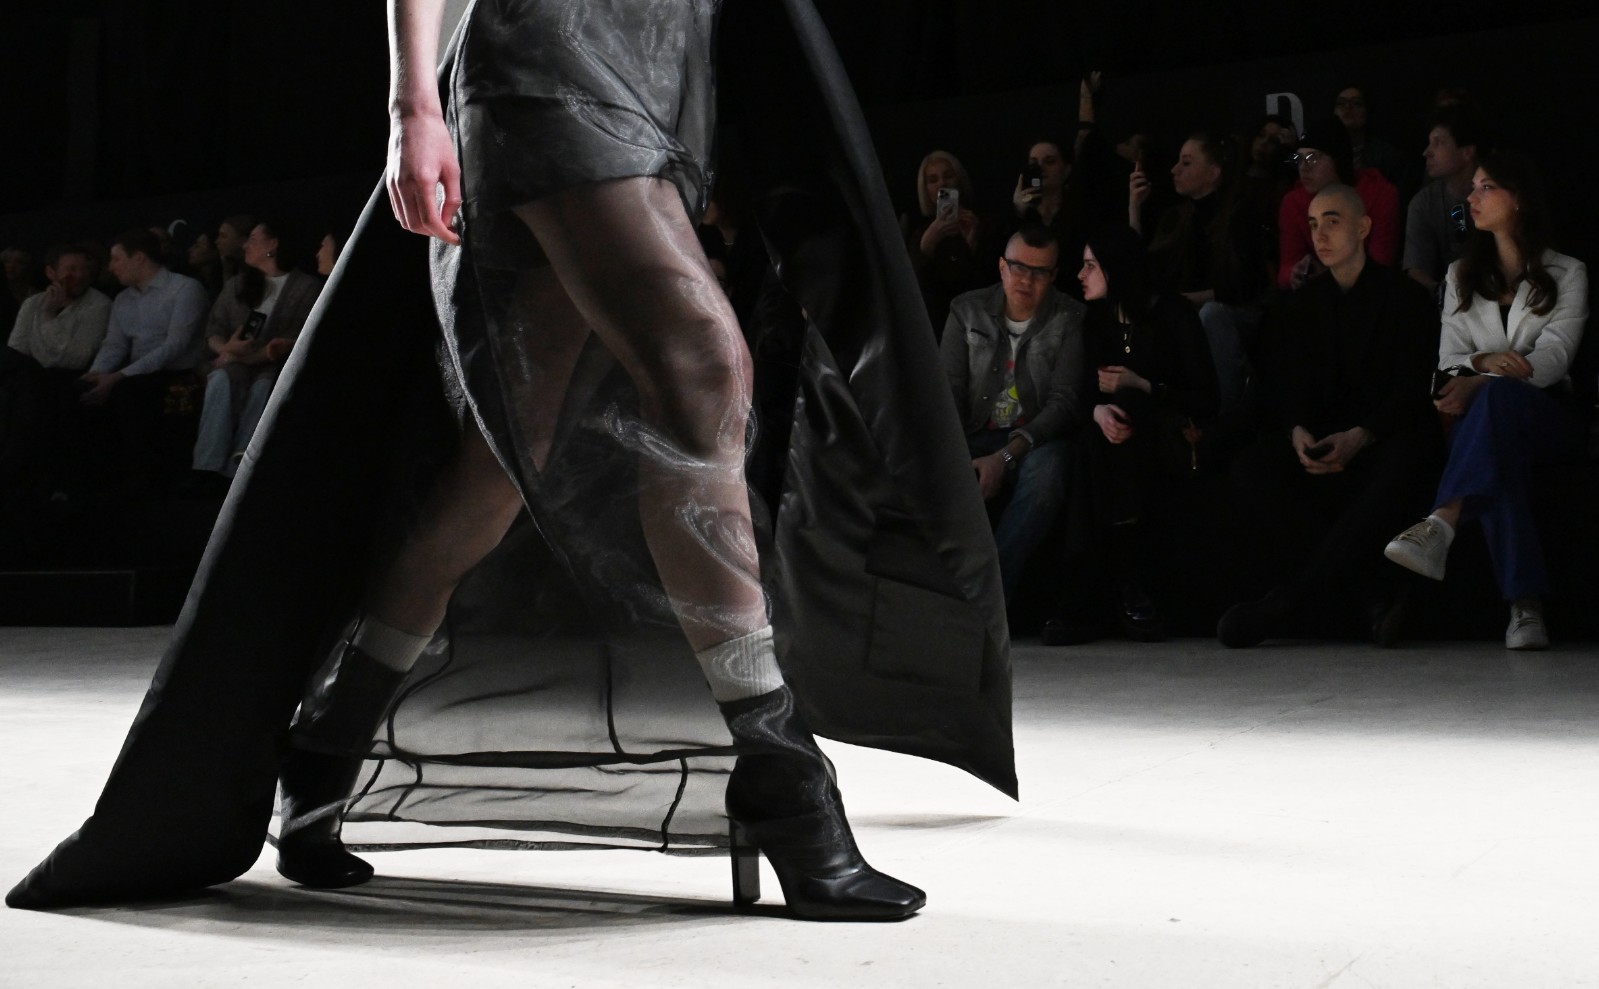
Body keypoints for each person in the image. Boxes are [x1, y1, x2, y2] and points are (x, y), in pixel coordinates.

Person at [10, 0, 1012, 921]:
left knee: (500, 461)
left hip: (662, 61)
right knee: (703, 368)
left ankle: (326, 744)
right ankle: (781, 769)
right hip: (543, 51)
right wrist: (412, 104)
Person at [1219, 185, 1442, 648]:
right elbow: (1284, 388)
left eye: (1333, 221)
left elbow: (1411, 390)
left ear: (1363, 227)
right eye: (1313, 224)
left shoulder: (1406, 298)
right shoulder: (1300, 305)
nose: (1319, 234)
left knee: (1409, 458)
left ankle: (1287, 601)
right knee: (1250, 468)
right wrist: (1298, 432)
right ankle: (1370, 591)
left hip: (1382, 438)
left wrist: (1361, 436)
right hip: (1323, 440)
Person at [1384, 152, 1588, 650]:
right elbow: (1449, 360)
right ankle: (1525, 610)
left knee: (1497, 406)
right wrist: (1483, 366)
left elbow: (1552, 360)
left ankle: (1443, 521)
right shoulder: (1460, 274)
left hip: (1548, 415)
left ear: (1518, 199)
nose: (1470, 197)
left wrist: (1481, 379)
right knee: (1499, 454)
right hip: (1488, 421)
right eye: (1471, 187)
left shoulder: (1568, 271)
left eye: (1485, 187)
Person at [1045, 226, 1217, 644]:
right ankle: (1125, 585)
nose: (1081, 275)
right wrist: (1098, 410)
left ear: (1116, 268)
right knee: (1099, 436)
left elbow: (1207, 397)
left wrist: (1144, 385)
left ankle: (1090, 593)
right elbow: (1081, 393)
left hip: (1163, 436)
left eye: (1091, 266)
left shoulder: (1173, 314)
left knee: (1125, 411)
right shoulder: (1096, 320)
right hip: (1110, 441)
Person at [942, 223, 1086, 603]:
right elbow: (947, 392)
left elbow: (1064, 403)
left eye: (1039, 272)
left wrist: (1004, 457)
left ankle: (988, 596)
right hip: (973, 433)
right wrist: (958, 457)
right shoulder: (966, 310)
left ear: (1053, 276)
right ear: (1002, 267)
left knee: (1050, 471)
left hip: (1033, 442)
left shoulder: (1069, 318)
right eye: (1019, 268)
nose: (1026, 280)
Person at [1131, 131, 1265, 423]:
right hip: (1189, 311)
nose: (1174, 170)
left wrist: (1183, 301)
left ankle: (1227, 415)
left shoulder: (1241, 214)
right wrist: (1135, 207)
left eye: (1187, 163)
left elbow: (1243, 287)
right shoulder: (1178, 217)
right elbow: (1141, 269)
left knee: (1211, 315)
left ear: (1213, 173)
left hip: (1236, 313)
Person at [188, 220, 322, 489]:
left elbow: (297, 337)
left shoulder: (305, 288)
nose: (245, 245)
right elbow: (214, 329)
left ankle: (239, 469)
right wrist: (226, 348)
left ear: (273, 244)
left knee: (264, 387)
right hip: (232, 361)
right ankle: (207, 466)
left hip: (274, 365)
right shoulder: (237, 285)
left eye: (252, 239)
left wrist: (245, 355)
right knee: (220, 380)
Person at [77, 227, 209, 490]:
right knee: (79, 392)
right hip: (137, 371)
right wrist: (96, 373)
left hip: (177, 370)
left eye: (116, 259)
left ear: (138, 258)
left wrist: (119, 376)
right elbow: (114, 345)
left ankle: (143, 478)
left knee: (128, 393)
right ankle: (86, 478)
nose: (110, 267)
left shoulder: (184, 289)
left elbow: (175, 345)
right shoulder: (123, 299)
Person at [1277, 116, 1400, 290]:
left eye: (1313, 158)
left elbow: (1382, 265)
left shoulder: (1380, 194)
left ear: (1338, 160)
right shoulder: (1293, 202)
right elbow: (1286, 269)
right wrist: (1294, 274)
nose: (1304, 167)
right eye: (1299, 158)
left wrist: (1331, 276)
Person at [900, 149, 987, 337]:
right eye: (933, 180)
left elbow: (985, 285)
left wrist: (972, 244)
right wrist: (925, 248)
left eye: (948, 176)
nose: (942, 184)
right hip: (935, 327)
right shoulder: (918, 233)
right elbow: (913, 294)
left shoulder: (979, 223)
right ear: (925, 189)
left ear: (959, 180)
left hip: (976, 325)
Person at [1403, 105, 1488, 294]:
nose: (1427, 152)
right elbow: (1417, 272)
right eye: (1429, 143)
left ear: (1467, 152)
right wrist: (1446, 296)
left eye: (1439, 143)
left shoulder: (1499, 196)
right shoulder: (1423, 203)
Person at [1332, 84, 1407, 189]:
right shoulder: (1323, 154)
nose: (1348, 107)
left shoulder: (1387, 157)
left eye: (1356, 103)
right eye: (1341, 103)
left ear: (1367, 111)